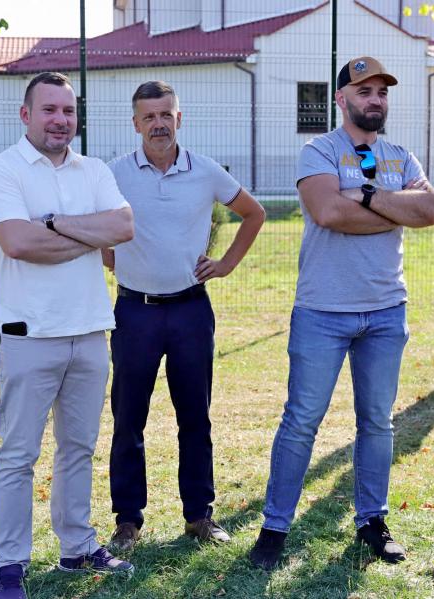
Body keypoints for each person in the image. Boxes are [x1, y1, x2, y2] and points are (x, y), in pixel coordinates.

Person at [248, 56, 434, 571]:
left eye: (381, 92)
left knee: (377, 422)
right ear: (342, 99)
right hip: (323, 312)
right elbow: (328, 211)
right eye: (364, 91)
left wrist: (368, 193)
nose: (374, 99)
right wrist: (393, 209)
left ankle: (372, 522)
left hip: (385, 312)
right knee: (301, 421)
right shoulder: (319, 151)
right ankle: (274, 528)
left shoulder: (400, 156)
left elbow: (430, 211)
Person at [0, 72, 135, 599]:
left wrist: (53, 223)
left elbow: (123, 227)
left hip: (89, 331)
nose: (60, 120)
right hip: (27, 334)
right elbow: (19, 243)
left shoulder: (94, 170)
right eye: (49, 110)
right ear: (26, 115)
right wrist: (85, 233)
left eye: (68, 111)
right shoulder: (1, 170)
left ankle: (77, 546)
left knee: (79, 449)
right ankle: (10, 564)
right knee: (18, 456)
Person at [105, 80, 265, 551]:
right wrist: (113, 260)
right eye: (149, 116)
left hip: (191, 311)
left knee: (195, 416)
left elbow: (254, 214)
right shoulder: (114, 174)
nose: (158, 124)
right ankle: (127, 521)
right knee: (128, 418)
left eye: (166, 115)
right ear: (136, 123)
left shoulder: (206, 171)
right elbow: (92, 227)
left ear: (179, 118)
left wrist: (226, 263)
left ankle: (199, 516)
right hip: (134, 312)